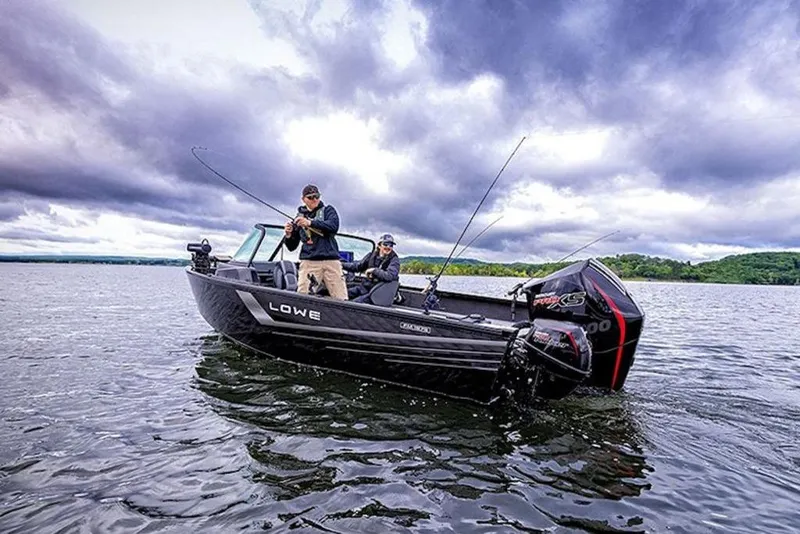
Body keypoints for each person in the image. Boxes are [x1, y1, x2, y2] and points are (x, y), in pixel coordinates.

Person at [284, 184, 348, 300]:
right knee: (303, 298)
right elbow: (292, 247)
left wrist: (310, 223)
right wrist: (289, 235)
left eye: (316, 196)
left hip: (331, 261)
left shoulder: (328, 210)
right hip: (309, 262)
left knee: (341, 298)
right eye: (310, 197)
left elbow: (333, 226)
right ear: (303, 199)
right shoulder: (299, 217)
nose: (314, 199)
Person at [342, 233, 400, 303]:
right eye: (385, 244)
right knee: (343, 294)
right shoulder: (371, 255)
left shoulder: (394, 260)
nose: (388, 247)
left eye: (391, 245)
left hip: (378, 292)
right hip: (365, 287)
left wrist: (373, 270)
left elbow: (389, 276)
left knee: (355, 303)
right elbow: (357, 266)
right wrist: (341, 265)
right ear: (379, 245)